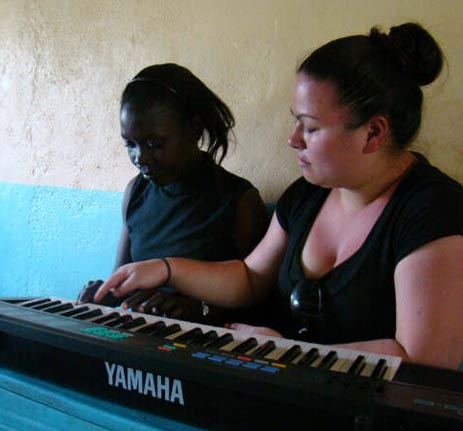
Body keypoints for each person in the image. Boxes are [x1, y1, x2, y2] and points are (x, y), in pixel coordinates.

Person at [93, 23, 463, 370]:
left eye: (311, 127)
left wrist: (287, 352)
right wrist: (165, 267)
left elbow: (424, 359)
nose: (293, 139)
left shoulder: (433, 212)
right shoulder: (306, 195)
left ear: (373, 132)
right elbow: (250, 277)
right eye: (295, 121)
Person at [79, 63, 270, 324]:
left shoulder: (239, 202)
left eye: (154, 143)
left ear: (193, 129)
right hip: (142, 342)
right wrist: (104, 294)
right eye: (130, 144)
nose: (141, 157)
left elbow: (258, 308)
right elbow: (122, 281)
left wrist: (196, 309)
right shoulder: (136, 193)